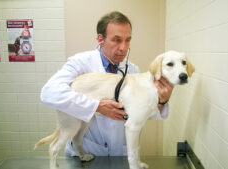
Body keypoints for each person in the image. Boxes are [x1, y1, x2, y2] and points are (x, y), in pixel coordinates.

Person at [40, 11, 174, 157]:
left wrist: (162, 100)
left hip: (120, 155)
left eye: (128, 40)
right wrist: (96, 106)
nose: (124, 47)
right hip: (88, 151)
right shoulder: (80, 63)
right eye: (117, 40)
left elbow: (143, 113)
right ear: (100, 39)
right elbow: (49, 92)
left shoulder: (133, 70)